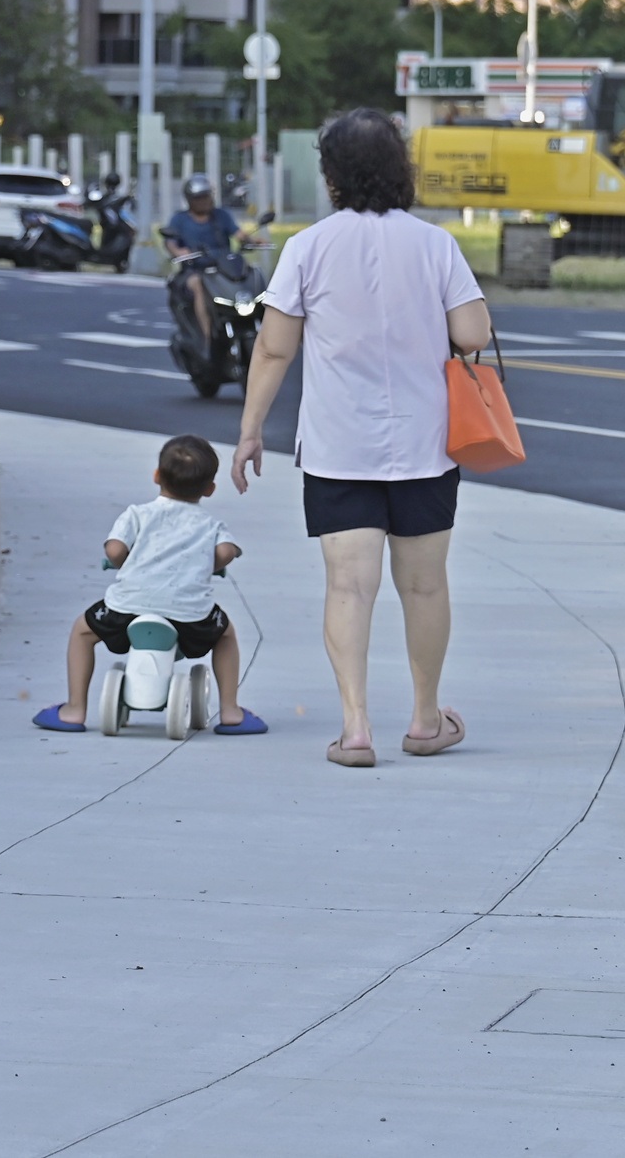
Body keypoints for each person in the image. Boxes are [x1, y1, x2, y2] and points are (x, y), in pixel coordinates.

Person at [231, 108, 495, 768]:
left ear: (333, 176)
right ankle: (426, 720)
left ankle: (355, 728)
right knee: (425, 586)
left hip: (338, 446)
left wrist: (250, 431)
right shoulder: (435, 245)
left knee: (348, 588)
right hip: (425, 444)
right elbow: (472, 335)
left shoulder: (307, 246)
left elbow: (274, 348)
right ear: (400, 168)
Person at [33, 434, 268, 736]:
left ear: (156, 476)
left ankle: (74, 709)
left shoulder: (137, 514)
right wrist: (210, 565)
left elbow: (115, 550)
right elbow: (225, 552)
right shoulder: (210, 525)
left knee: (82, 631)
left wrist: (125, 562)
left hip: (126, 610)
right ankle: (231, 711)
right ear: (210, 489)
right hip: (190, 617)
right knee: (226, 635)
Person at [163, 173, 252, 338]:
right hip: (194, 270)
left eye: (206, 196)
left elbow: (238, 233)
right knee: (198, 285)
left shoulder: (221, 215)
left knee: (251, 276)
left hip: (223, 269)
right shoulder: (180, 219)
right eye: (199, 198)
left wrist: (250, 240)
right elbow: (170, 242)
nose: (204, 201)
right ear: (189, 200)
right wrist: (179, 252)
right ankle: (207, 337)